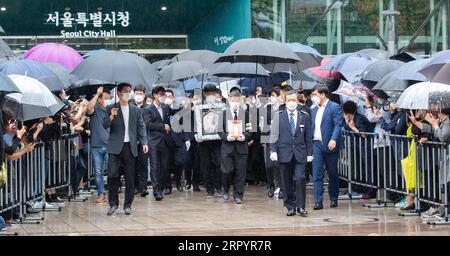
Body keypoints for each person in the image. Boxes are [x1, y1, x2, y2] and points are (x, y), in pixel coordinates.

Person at [103, 83, 148, 216]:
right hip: (115, 147)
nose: (129, 94)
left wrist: (144, 142)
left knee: (130, 177)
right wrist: (111, 116)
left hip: (130, 147)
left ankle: (127, 205)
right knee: (112, 176)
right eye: (126, 91)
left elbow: (141, 126)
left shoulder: (136, 110)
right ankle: (113, 204)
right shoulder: (111, 108)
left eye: (130, 91)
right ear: (119, 94)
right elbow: (104, 124)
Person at [270, 90, 313, 216]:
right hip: (284, 153)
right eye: (289, 100)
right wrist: (273, 150)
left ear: (297, 101)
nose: (292, 103)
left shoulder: (304, 116)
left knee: (300, 179)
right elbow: (274, 135)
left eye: (294, 100)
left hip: (300, 153)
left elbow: (308, 137)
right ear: (285, 101)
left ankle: (301, 206)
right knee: (287, 181)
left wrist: (310, 153)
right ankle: (290, 206)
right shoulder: (279, 116)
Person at [310, 85, 343, 210]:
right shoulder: (313, 109)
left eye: (315, 94)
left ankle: (334, 198)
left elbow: (338, 125)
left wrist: (333, 139)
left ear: (323, 95)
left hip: (330, 145)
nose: (314, 97)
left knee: (332, 173)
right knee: (317, 173)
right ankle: (318, 201)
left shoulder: (334, 107)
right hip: (316, 144)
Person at [219, 90, 252, 204]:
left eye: (237, 98)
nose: (234, 100)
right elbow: (219, 131)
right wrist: (227, 136)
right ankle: (226, 189)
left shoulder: (246, 114)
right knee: (226, 171)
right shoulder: (223, 114)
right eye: (232, 98)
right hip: (227, 147)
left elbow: (250, 130)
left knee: (240, 173)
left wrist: (244, 136)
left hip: (241, 147)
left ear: (240, 99)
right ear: (228, 99)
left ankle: (238, 195)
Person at [194, 84, 225, 198]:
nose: (210, 95)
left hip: (217, 140)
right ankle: (209, 189)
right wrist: (196, 134)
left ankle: (218, 187)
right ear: (204, 93)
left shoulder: (221, 106)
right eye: (208, 93)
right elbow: (194, 122)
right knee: (205, 165)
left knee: (218, 163)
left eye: (213, 93)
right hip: (204, 142)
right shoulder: (198, 106)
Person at [142, 86, 173, 201]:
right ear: (155, 95)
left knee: (165, 166)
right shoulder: (148, 109)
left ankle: (163, 185)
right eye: (161, 94)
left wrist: (185, 108)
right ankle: (157, 190)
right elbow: (148, 124)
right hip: (154, 142)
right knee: (155, 166)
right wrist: (162, 126)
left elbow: (173, 112)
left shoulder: (165, 107)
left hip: (165, 141)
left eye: (163, 94)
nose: (163, 97)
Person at [87, 86, 111, 204]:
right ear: (100, 99)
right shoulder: (95, 108)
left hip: (110, 145)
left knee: (112, 171)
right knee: (98, 172)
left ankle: (112, 192)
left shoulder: (111, 110)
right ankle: (101, 193)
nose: (108, 100)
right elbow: (89, 108)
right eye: (106, 98)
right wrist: (96, 94)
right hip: (96, 145)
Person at [131, 85, 150, 197]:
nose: (138, 95)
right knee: (132, 165)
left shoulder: (148, 108)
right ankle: (134, 186)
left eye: (140, 93)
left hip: (144, 140)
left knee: (143, 164)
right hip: (132, 140)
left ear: (144, 94)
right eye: (137, 93)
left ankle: (143, 187)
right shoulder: (129, 106)